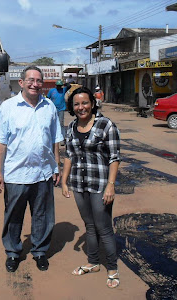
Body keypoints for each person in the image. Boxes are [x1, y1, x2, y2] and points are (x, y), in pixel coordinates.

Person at [0, 66, 63, 273]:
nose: (35, 84)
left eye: (39, 80)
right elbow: (0, 143)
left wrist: (55, 166)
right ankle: (13, 253)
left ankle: (40, 251)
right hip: (16, 174)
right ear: (21, 82)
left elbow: (56, 139)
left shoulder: (49, 106)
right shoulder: (8, 107)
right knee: (14, 216)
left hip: (43, 173)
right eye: (30, 80)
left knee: (42, 215)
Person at [61, 86, 121, 289]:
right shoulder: (71, 127)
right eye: (76, 104)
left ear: (92, 103)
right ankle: (93, 262)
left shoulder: (106, 125)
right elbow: (69, 155)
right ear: (72, 107)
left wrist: (111, 185)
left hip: (100, 185)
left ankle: (112, 269)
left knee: (103, 227)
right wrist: (64, 180)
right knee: (89, 226)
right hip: (79, 183)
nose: (81, 107)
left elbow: (114, 158)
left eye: (85, 102)